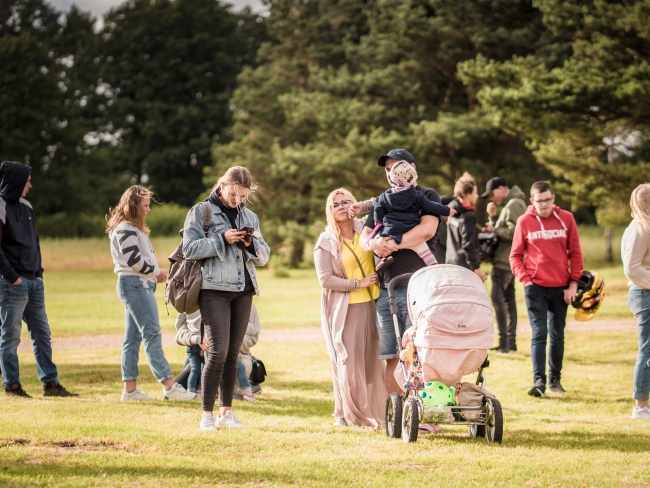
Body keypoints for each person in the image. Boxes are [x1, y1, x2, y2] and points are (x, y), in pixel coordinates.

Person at [183, 166, 270, 431]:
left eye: (243, 196)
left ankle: (226, 413)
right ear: (223, 185)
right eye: (234, 194)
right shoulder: (201, 212)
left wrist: (249, 244)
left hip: (244, 290)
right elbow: (189, 248)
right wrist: (222, 238)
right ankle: (207, 415)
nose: (238, 201)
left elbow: (264, 255)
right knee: (217, 352)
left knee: (233, 353)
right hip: (214, 290)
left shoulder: (250, 216)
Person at [357, 149, 441, 402]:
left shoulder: (426, 195)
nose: (391, 172)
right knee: (391, 356)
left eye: (398, 166)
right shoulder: (385, 198)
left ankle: (423, 412)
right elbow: (365, 235)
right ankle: (398, 416)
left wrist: (391, 243)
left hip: (417, 286)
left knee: (418, 352)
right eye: (387, 169)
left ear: (412, 167)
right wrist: (373, 245)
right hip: (386, 290)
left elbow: (426, 230)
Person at [108, 186, 195, 402]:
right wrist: (157, 273)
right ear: (134, 205)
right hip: (135, 285)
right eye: (145, 205)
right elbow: (133, 260)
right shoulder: (125, 228)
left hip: (137, 285)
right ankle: (169, 386)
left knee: (133, 337)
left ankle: (130, 390)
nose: (148, 210)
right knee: (152, 333)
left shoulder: (131, 228)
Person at [0, 161, 77, 398]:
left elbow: (35, 242)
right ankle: (12, 384)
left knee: (42, 333)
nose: (30, 185)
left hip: (34, 281)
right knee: (10, 335)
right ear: (16, 181)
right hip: (13, 283)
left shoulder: (27, 206)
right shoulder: (0, 206)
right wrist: (13, 278)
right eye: (27, 180)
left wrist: (39, 273)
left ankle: (50, 384)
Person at [315, 188, 386, 428]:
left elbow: (384, 200)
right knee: (347, 361)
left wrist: (363, 207)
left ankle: (373, 408)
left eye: (347, 202)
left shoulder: (366, 228)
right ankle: (344, 414)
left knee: (372, 360)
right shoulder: (326, 241)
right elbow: (324, 279)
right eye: (337, 204)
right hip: (346, 310)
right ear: (330, 211)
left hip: (374, 304)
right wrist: (357, 283)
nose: (343, 207)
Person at [510, 181, 583, 398]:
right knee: (539, 333)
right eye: (539, 201)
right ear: (532, 201)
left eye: (547, 200)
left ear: (553, 198)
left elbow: (576, 254)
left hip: (561, 288)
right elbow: (515, 256)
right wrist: (525, 279)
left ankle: (555, 381)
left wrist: (573, 284)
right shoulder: (524, 221)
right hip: (535, 287)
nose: (544, 205)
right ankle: (538, 381)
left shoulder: (566, 219)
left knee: (557, 335)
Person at [368, 161, 454, 270]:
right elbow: (431, 206)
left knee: (379, 240)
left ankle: (384, 259)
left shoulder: (385, 196)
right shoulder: (417, 195)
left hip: (391, 231)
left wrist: (379, 220)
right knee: (427, 254)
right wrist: (446, 210)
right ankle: (435, 268)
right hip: (410, 230)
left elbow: (378, 209)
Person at [175, 306, 262, 401]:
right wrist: (197, 339)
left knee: (234, 375)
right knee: (181, 384)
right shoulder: (190, 300)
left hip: (234, 353)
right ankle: (200, 390)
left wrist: (224, 343)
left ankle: (249, 385)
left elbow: (253, 337)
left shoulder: (245, 300)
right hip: (199, 354)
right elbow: (180, 333)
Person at [481, 177, 527, 353]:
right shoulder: (510, 204)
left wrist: (494, 230)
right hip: (506, 260)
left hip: (505, 260)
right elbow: (506, 228)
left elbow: (516, 232)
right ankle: (509, 342)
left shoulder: (514, 203)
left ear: (501, 188)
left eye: (493, 194)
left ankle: (505, 343)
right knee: (508, 301)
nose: (493, 198)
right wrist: (493, 218)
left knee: (499, 300)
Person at [621, 184, 650, 419]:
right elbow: (632, 268)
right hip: (644, 294)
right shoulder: (640, 229)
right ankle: (640, 407)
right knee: (647, 351)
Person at [445, 172, 487, 282]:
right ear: (467, 193)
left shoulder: (451, 212)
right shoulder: (468, 216)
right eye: (475, 192)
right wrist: (476, 267)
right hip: (464, 267)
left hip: (450, 262)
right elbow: (468, 244)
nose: (477, 196)